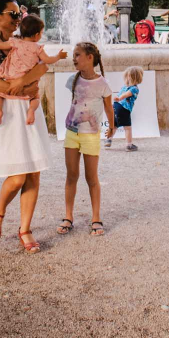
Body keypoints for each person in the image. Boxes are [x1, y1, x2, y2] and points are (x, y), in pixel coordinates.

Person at [0, 0, 52, 254]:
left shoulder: (27, 41)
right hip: (8, 110)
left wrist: (25, 82)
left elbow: (42, 67)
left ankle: (25, 228)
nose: (17, 17)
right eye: (12, 13)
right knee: (18, 175)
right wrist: (20, 86)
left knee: (33, 171)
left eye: (19, 13)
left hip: (27, 107)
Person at [57, 41, 114, 238]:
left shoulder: (103, 84)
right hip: (72, 133)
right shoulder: (73, 79)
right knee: (71, 175)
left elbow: (108, 108)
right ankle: (68, 216)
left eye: (78, 54)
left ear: (90, 58)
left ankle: (96, 217)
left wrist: (112, 127)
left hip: (90, 136)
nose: (74, 58)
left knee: (92, 178)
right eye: (74, 55)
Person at [0, 14, 66, 127]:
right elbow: (48, 60)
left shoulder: (15, 42)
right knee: (35, 97)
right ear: (36, 35)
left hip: (10, 79)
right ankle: (31, 110)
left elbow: (0, 45)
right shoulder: (37, 48)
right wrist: (58, 56)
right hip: (27, 83)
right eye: (41, 33)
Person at [108, 66, 143, 150]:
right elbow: (126, 94)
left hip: (115, 106)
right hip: (124, 108)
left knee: (114, 125)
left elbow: (122, 93)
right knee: (127, 127)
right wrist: (120, 98)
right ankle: (129, 145)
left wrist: (118, 98)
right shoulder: (134, 88)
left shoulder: (124, 87)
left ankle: (108, 140)